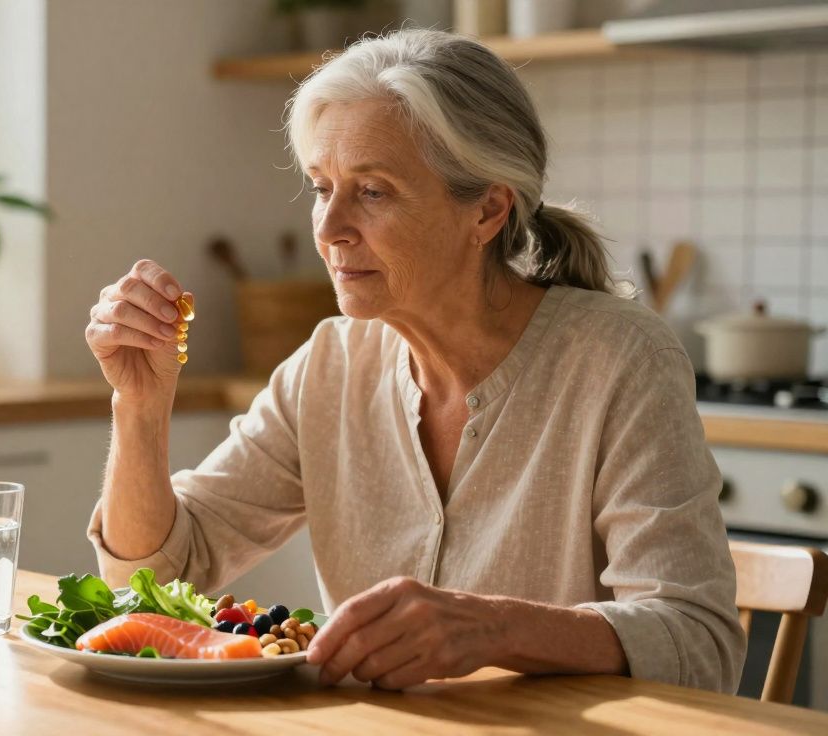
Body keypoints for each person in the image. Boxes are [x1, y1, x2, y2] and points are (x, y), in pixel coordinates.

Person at [82, 29, 743, 693]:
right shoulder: (332, 363)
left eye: (373, 191)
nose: (329, 227)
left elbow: (697, 640)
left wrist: (493, 628)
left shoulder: (619, 358)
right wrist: (139, 406)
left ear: (486, 210)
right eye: (321, 187)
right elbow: (158, 580)